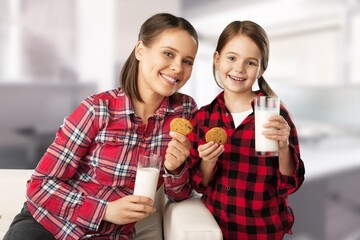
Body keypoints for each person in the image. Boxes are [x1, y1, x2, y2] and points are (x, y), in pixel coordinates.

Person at [4, 13, 198, 240]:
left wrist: (175, 169)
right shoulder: (97, 109)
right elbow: (39, 185)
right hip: (48, 222)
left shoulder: (185, 112)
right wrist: (105, 210)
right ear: (140, 50)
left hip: (108, 235)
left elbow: (180, 194)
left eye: (187, 61)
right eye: (168, 53)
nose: (177, 67)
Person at [173, 20, 306, 239]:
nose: (239, 68)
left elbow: (290, 185)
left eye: (250, 62)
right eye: (232, 58)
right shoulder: (203, 118)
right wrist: (208, 161)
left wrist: (283, 147)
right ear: (217, 59)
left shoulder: (275, 115)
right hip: (217, 230)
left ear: (261, 69)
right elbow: (200, 185)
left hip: (264, 231)